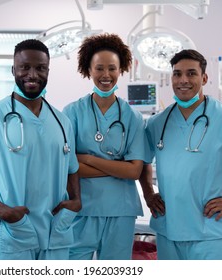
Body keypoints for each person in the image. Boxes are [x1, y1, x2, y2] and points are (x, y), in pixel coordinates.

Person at [0, 39, 81, 260]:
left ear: (48, 71)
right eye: (25, 67)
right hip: (15, 236)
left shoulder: (61, 121)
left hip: (55, 235)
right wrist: (3, 211)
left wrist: (77, 199)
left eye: (40, 68)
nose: (32, 74)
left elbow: (71, 168)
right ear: (14, 70)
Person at [140, 49, 222, 260]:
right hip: (169, 230)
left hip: (211, 233)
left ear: (204, 78)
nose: (183, 80)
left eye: (191, 73)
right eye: (177, 74)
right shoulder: (158, 122)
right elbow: (140, 160)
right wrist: (149, 193)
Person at [62, 33, 150, 260]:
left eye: (112, 68)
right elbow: (68, 167)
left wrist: (88, 159)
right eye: (99, 68)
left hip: (120, 212)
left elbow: (134, 171)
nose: (106, 75)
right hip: (81, 209)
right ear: (88, 70)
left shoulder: (132, 117)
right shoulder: (71, 113)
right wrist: (116, 166)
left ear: (121, 69)